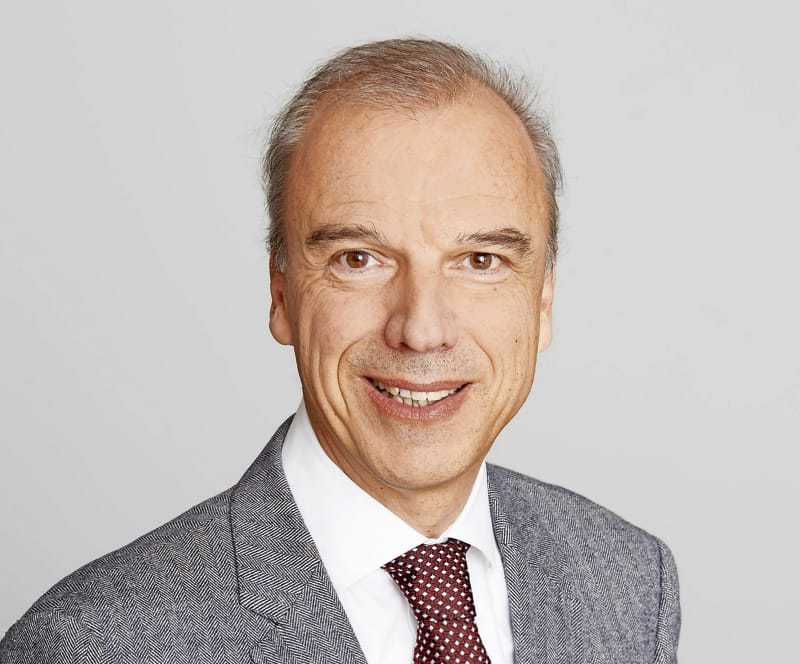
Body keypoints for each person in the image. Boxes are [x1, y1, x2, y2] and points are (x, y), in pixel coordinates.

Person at [0, 38, 681, 664]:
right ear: (281, 293)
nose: (421, 329)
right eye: (359, 258)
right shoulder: (93, 644)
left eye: (481, 260)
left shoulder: (626, 580)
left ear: (543, 298)